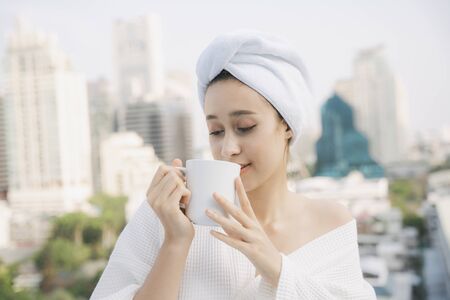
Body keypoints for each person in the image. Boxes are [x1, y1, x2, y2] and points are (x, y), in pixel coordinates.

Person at [90, 30, 377, 300]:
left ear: (286, 126)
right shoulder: (165, 214)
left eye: (245, 126)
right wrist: (175, 242)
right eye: (216, 131)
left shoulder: (330, 224)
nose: (228, 148)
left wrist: (275, 268)